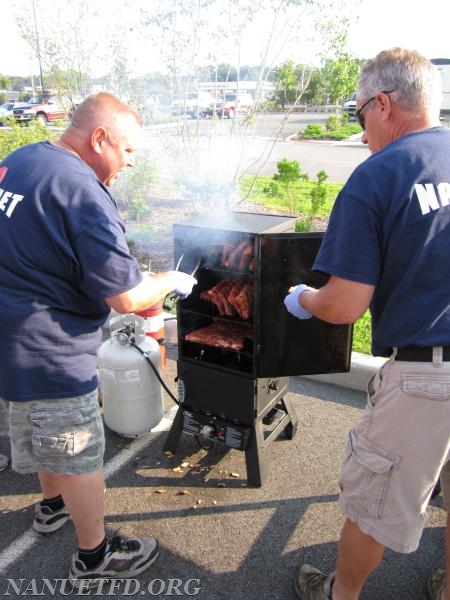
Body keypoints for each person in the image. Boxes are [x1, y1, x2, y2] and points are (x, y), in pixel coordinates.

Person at [0, 92, 197, 588]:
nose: (130, 162)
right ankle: (94, 555)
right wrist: (171, 279)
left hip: (10, 339)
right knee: (79, 449)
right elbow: (127, 298)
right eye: (127, 150)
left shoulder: (20, 160)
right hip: (52, 349)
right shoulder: (82, 190)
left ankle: (51, 506)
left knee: (46, 433)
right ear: (100, 137)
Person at [284, 48, 450, 600]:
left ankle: (341, 594)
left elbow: (345, 305)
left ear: (383, 103)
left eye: (358, 116)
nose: (359, 134)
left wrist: (305, 298)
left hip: (429, 379)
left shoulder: (378, 176)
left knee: (372, 503)